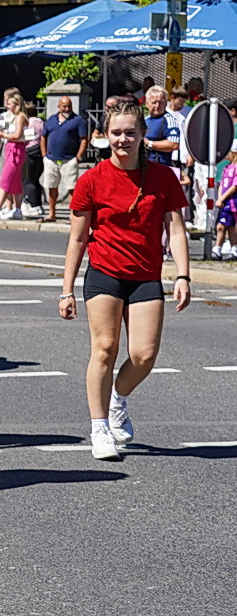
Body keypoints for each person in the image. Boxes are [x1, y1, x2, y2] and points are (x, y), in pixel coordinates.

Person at [59, 103, 191, 461]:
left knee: (144, 355)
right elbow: (77, 237)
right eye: (116, 132)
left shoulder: (162, 178)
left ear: (142, 134)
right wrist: (66, 289)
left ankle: (118, 397)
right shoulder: (92, 180)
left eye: (130, 132)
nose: (123, 139)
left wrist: (182, 274)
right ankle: (99, 427)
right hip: (104, 273)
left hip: (146, 275)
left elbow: (175, 230)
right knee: (105, 348)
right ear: (105, 135)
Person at [40, 95, 90, 223]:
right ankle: (52, 213)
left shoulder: (77, 120)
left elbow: (84, 139)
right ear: (58, 107)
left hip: (69, 160)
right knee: (51, 186)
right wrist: (44, 154)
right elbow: (43, 137)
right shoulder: (51, 119)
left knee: (71, 188)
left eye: (69, 106)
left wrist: (78, 157)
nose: (67, 109)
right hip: (51, 159)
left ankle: (72, 215)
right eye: (64, 106)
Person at [0, 94, 30, 223]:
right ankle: (17, 210)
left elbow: (17, 135)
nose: (7, 106)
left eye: (10, 104)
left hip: (16, 149)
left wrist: (3, 135)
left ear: (17, 105)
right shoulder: (13, 117)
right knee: (15, 181)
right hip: (11, 148)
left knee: (5, 179)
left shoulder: (20, 117)